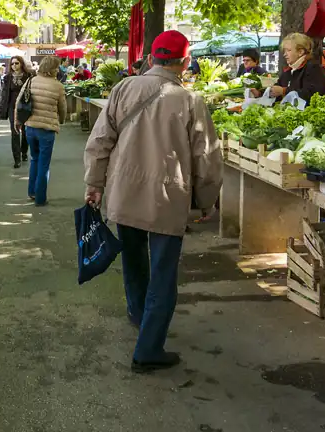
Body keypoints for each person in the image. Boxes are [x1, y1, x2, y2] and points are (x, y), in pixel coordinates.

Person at [83, 30, 222, 373]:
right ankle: (148, 349)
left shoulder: (123, 89)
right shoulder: (190, 101)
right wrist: (206, 201)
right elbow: (206, 157)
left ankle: (138, 313)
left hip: (124, 191)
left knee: (134, 261)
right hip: (167, 197)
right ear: (185, 62)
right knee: (163, 272)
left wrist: (94, 184)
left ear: (149, 59)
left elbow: (99, 141)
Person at [15, 56, 66, 206]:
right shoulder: (58, 86)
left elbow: (19, 102)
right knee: (44, 163)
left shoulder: (30, 81)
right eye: (57, 67)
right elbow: (62, 108)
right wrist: (61, 120)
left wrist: (17, 121)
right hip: (47, 129)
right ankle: (40, 198)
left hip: (30, 127)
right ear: (53, 69)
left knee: (34, 159)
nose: (58, 70)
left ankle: (32, 192)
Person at [249, 33, 325, 105]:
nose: (285, 54)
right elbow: (277, 88)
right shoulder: (289, 71)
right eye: (284, 51)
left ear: (300, 52)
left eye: (289, 50)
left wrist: (284, 91)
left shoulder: (314, 69)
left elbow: (311, 95)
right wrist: (260, 93)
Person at [0, 56, 33, 168]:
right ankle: (17, 159)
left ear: (21, 64)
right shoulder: (8, 77)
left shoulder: (28, 76)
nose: (14, 66)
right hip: (12, 107)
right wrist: (0, 109)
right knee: (15, 132)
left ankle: (24, 151)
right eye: (12, 64)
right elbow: (3, 94)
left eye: (16, 63)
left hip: (25, 107)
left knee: (25, 132)